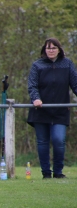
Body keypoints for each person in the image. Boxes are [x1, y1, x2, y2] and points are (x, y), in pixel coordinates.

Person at [27, 37, 77, 179]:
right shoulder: (37, 65)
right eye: (48, 48)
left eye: (54, 48)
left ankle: (58, 172)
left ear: (59, 50)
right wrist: (36, 98)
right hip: (41, 110)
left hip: (60, 111)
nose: (51, 50)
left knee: (58, 140)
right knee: (42, 142)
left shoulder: (67, 65)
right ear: (44, 50)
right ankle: (46, 173)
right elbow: (32, 85)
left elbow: (75, 84)